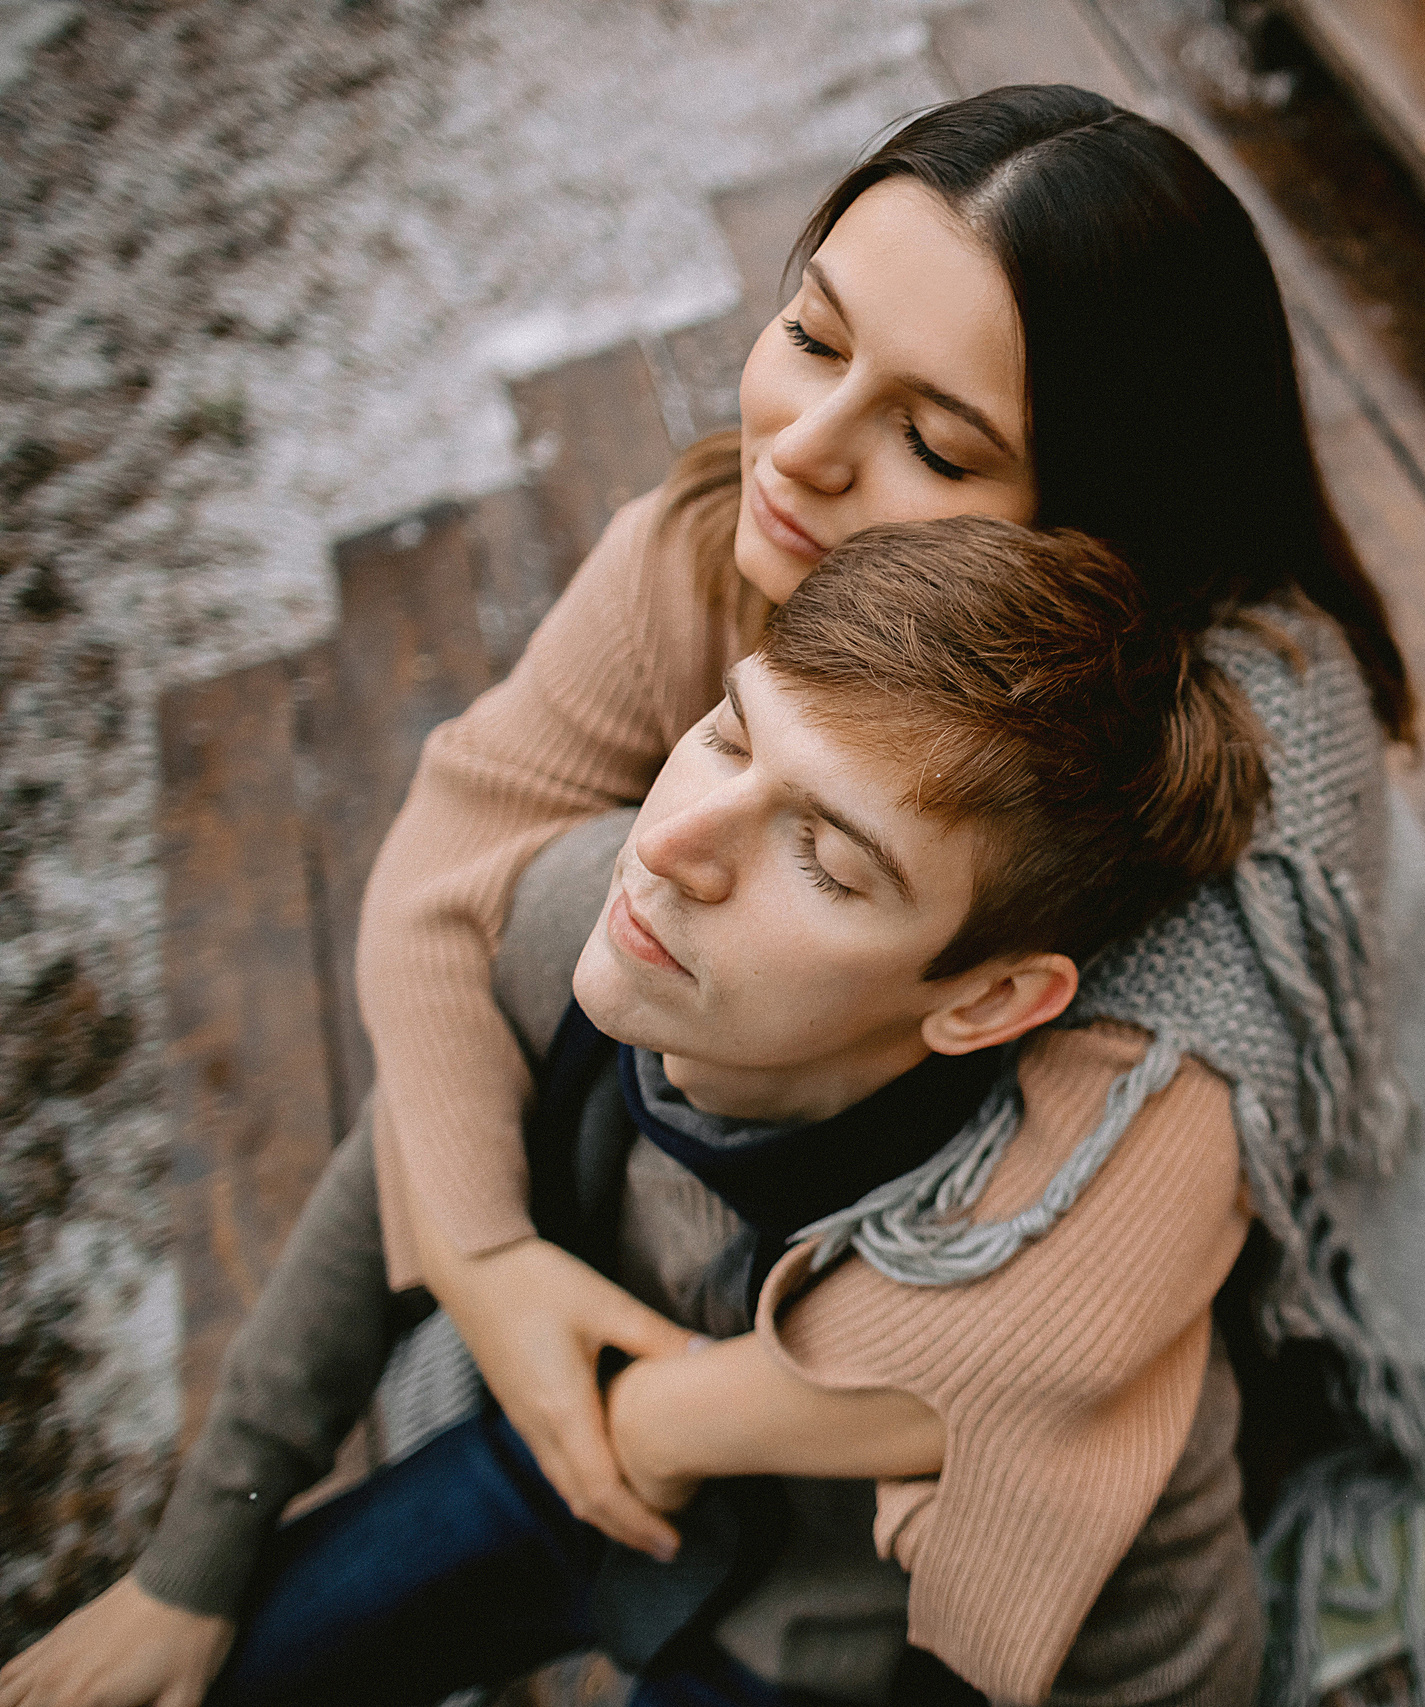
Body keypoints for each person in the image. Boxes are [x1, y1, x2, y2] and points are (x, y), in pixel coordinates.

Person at [236, 81, 1425, 1701]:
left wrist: (649, 1418)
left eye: (936, 440)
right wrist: (487, 1265)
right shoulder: (723, 539)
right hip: (784, 1208)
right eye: (815, 335)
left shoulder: (1238, 785)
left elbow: (1056, 1311)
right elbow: (447, 880)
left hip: (1161, 1334)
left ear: (1099, 523)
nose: (801, 453)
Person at [0, 517, 1273, 1707]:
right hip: (564, 1454)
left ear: (989, 1001)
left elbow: (1169, 1646)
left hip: (827, 1651)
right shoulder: (572, 912)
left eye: (826, 859)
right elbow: (379, 1189)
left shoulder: (1048, 1258)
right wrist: (187, 1571)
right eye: (728, 734)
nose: (668, 846)